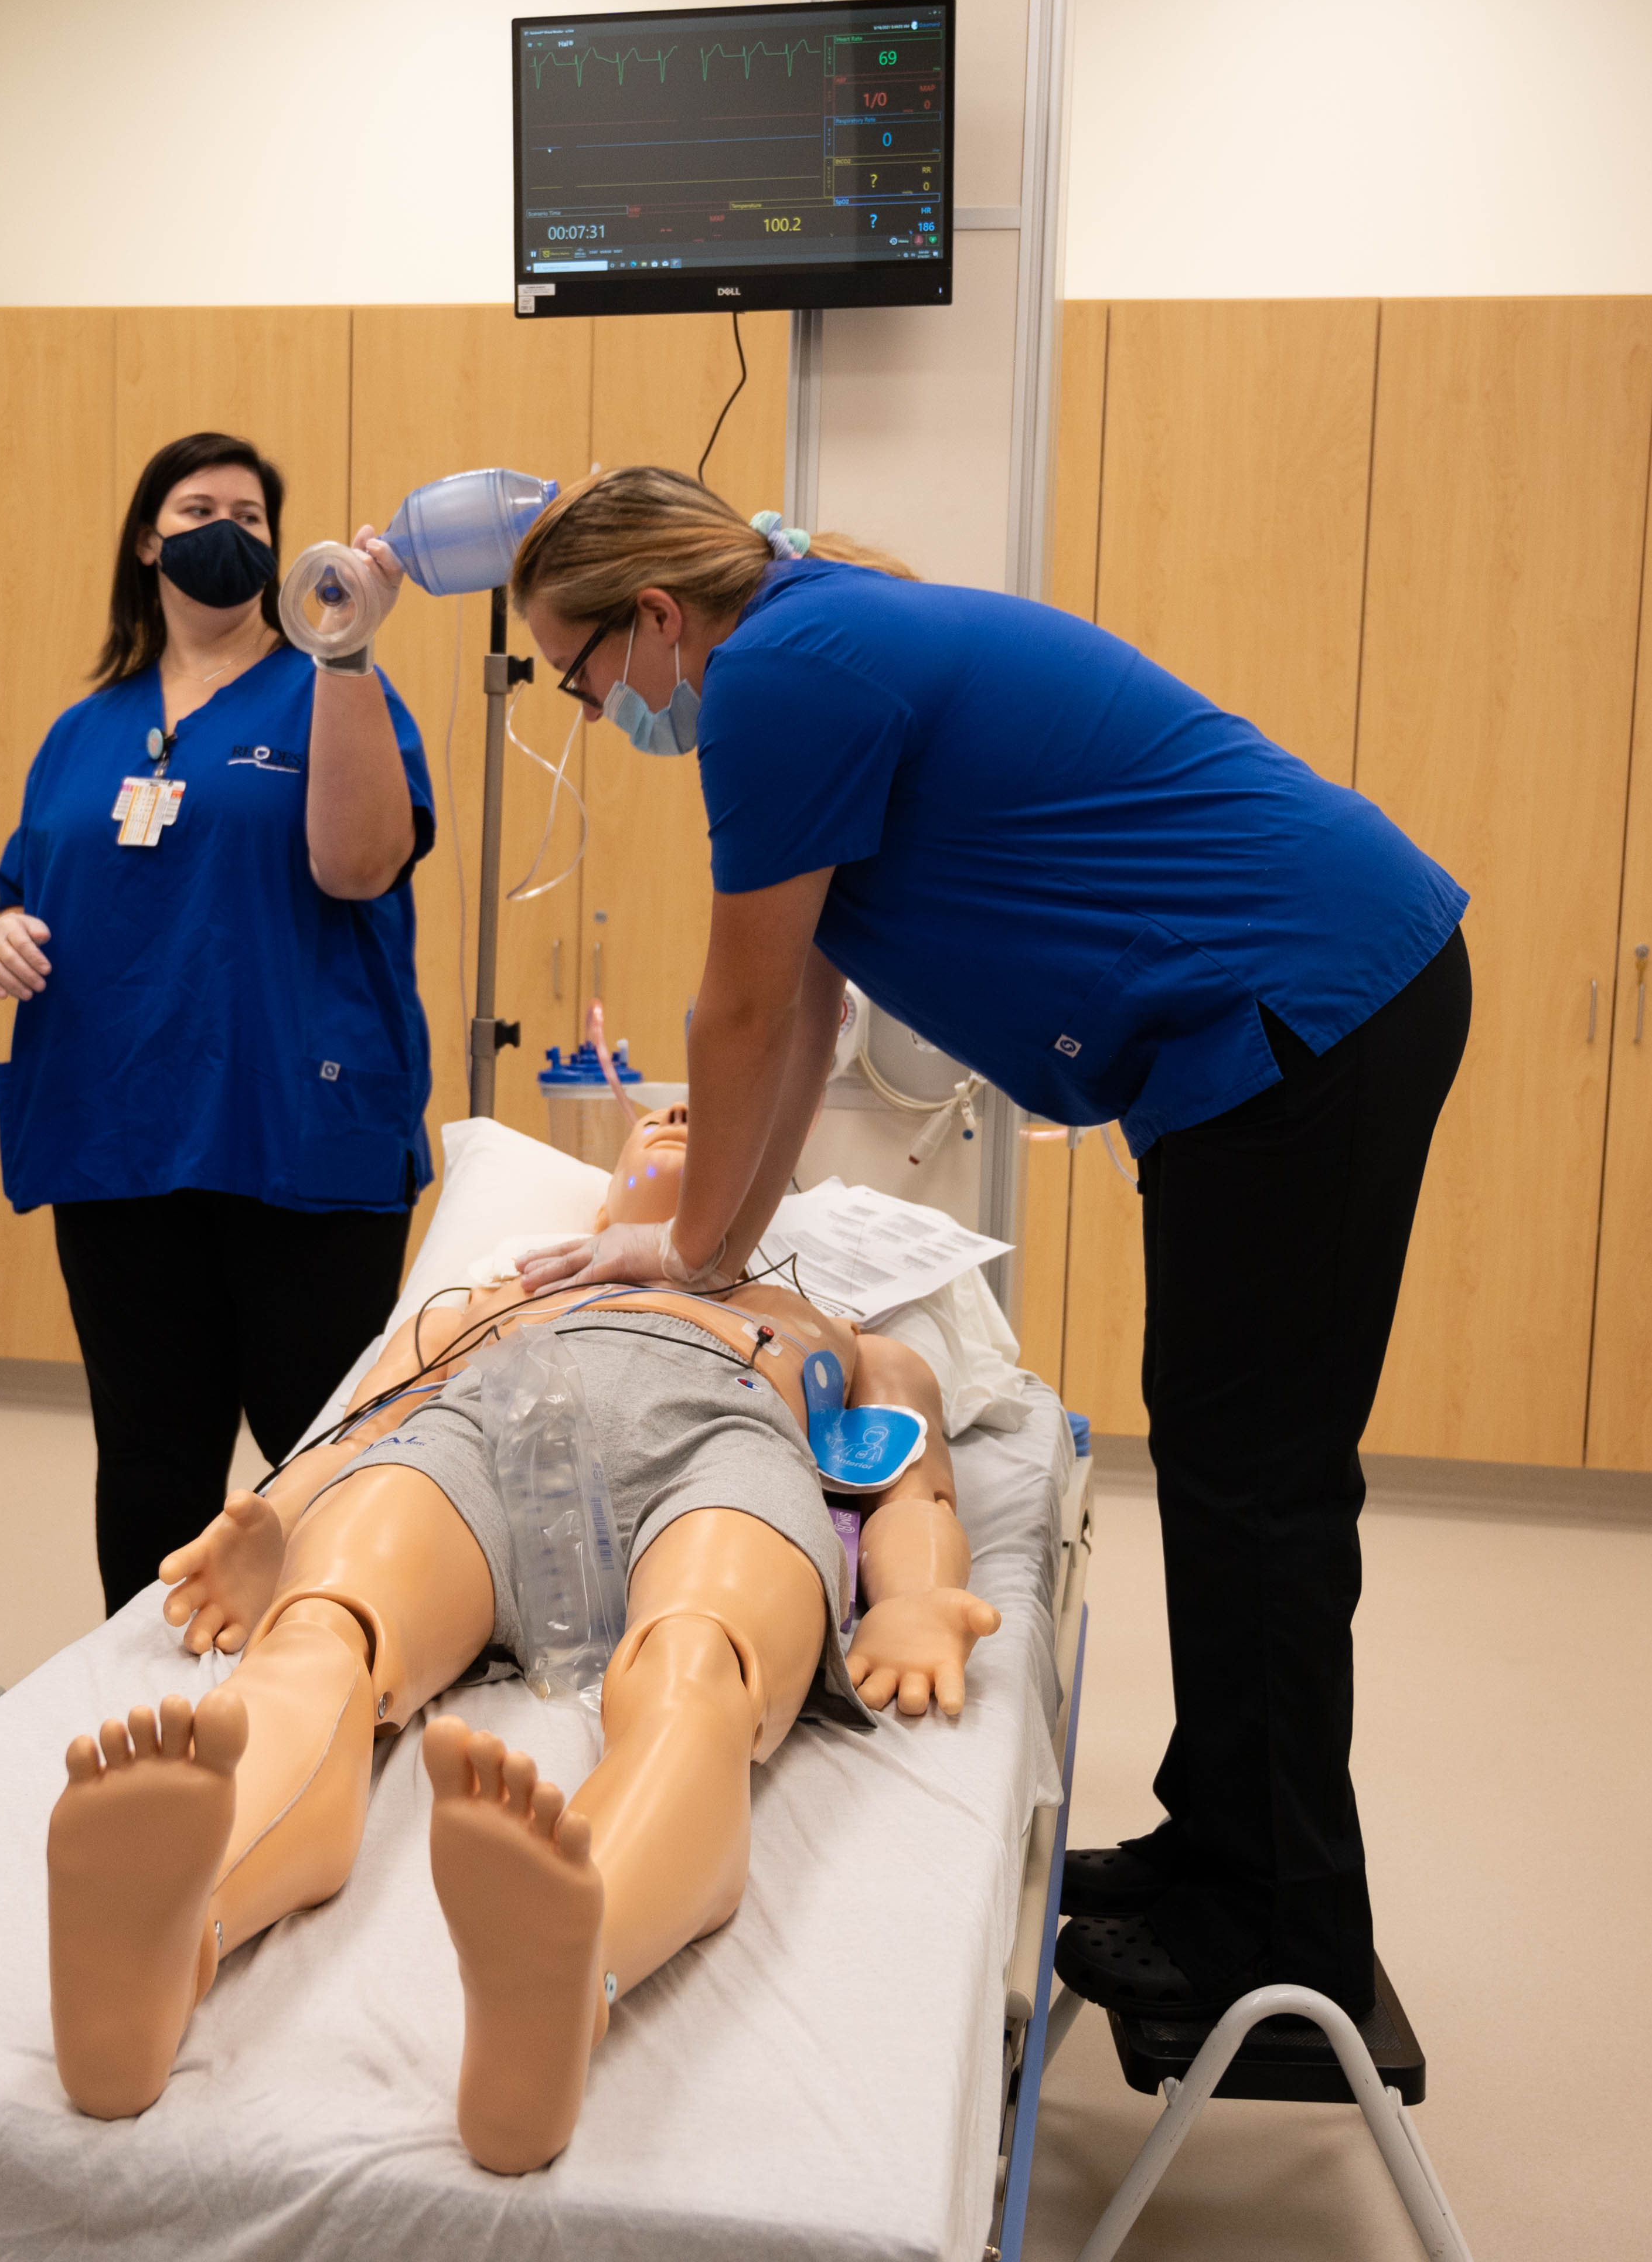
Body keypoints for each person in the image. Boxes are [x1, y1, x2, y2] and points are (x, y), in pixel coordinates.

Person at [501, 467, 1471, 2032]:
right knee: (1236, 1466)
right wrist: (705, 1249)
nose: (594, 705)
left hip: (1310, 1009)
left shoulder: (775, 683)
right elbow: (808, 1013)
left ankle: (1280, 1926)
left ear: (657, 620)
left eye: (580, 670)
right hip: (1290, 1019)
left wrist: (685, 1246)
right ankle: (1222, 1846)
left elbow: (737, 1015)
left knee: (1261, 1484)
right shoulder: (815, 643)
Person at [45, 1102, 1002, 2173]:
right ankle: (179, 1934)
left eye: (703, 1106)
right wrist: (279, 1516)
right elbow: (368, 1418)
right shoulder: (509, 1290)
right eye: (656, 1119)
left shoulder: (830, 1323)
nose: (686, 1109)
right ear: (605, 1191)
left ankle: (575, 1957)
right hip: (490, 1435)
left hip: (724, 1440)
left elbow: (912, 1477)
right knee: (327, 1626)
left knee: (697, 1667)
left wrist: (917, 1594)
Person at [0, 431, 440, 1614]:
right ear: (147, 539)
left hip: (294, 1131)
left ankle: (330, 1710)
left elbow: (358, 865)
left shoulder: (336, 687)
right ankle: (154, 1727)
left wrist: (347, 652)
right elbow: (30, 891)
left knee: (320, 1459)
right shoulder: (86, 730)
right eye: (197, 505)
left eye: (252, 510)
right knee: (149, 1462)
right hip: (119, 1141)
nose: (227, 525)